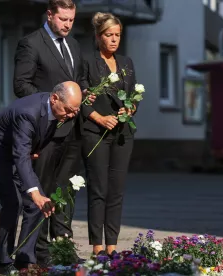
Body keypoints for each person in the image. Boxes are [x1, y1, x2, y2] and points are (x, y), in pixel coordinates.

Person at [0, 81, 83, 274]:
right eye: (68, 110)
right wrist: (35, 192)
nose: (71, 115)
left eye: (75, 111)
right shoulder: (28, 111)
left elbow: (27, 146)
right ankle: (4, 263)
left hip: (16, 154)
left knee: (36, 206)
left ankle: (24, 259)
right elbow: (20, 155)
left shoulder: (58, 109)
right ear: (54, 98)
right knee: (13, 203)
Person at [13, 0, 88, 266]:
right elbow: (21, 85)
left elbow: (77, 82)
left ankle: (61, 246)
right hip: (45, 130)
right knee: (41, 191)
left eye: (71, 20)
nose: (68, 25)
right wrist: (52, 105)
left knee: (66, 191)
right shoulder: (31, 43)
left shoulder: (75, 46)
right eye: (63, 19)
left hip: (72, 131)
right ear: (50, 15)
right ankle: (35, 251)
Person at [81, 12, 138, 257]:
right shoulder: (86, 61)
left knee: (116, 190)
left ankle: (112, 247)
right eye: (109, 35)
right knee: (98, 189)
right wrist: (99, 118)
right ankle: (97, 248)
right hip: (95, 133)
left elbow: (135, 96)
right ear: (98, 36)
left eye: (117, 35)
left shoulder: (127, 63)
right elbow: (81, 99)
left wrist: (131, 108)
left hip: (123, 134)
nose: (114, 40)